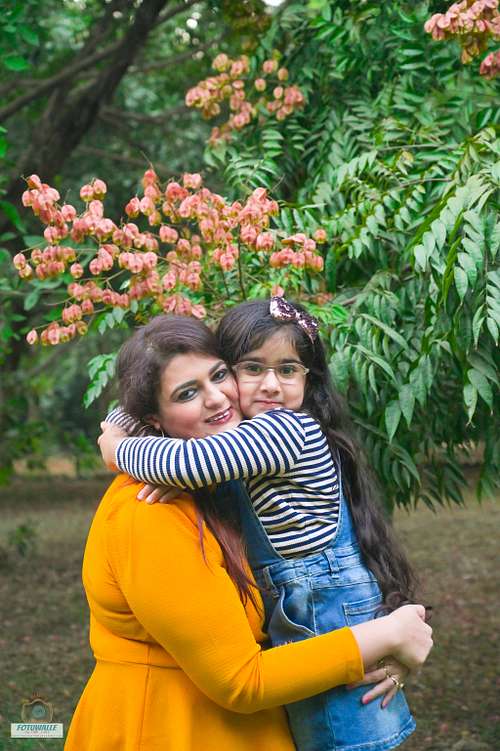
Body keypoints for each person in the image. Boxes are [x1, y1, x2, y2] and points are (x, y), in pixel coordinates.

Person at [99, 303, 430, 751]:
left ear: (309, 378)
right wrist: (132, 420)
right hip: (209, 698)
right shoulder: (165, 498)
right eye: (252, 368)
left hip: (326, 616)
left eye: (288, 370)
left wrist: (117, 446)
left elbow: (189, 462)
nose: (269, 385)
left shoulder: (282, 431)